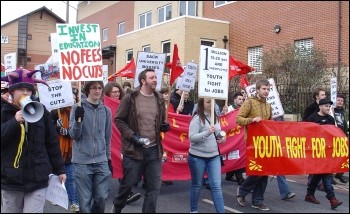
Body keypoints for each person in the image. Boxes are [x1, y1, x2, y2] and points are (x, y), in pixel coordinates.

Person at [1, 68, 66, 213]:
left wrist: (60, 168)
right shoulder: (3, 111)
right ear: (12, 91)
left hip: (38, 178)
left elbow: (51, 142)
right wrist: (13, 122)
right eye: (21, 89)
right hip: (11, 180)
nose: (25, 93)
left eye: (28, 90)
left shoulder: (41, 111)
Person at [112, 68, 170, 213]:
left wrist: (164, 126)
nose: (155, 80)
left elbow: (160, 122)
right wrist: (133, 136)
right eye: (151, 78)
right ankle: (117, 206)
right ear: (143, 81)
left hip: (154, 150)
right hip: (134, 150)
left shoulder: (159, 99)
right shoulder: (130, 97)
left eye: (156, 77)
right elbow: (119, 120)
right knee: (128, 184)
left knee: (154, 188)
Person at [69, 81, 112, 213]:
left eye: (99, 88)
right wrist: (77, 121)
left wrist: (108, 158)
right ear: (87, 90)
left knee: (101, 198)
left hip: (101, 160)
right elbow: (74, 135)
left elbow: (107, 136)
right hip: (82, 161)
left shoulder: (106, 110)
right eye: (94, 88)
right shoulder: (77, 107)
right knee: (85, 201)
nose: (97, 91)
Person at [235, 79, 272, 211]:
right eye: (264, 89)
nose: (266, 91)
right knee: (257, 172)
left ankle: (257, 200)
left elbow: (270, 125)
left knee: (264, 172)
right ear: (257, 90)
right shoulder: (249, 102)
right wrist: (252, 120)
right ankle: (242, 190)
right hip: (252, 143)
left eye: (268, 89)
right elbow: (238, 119)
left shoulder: (269, 106)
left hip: (265, 144)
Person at [104, 82, 142, 204]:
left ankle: (127, 194)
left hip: (121, 139)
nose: (117, 94)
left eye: (118, 91)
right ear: (108, 93)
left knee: (122, 166)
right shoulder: (104, 105)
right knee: (107, 167)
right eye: (114, 92)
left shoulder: (124, 104)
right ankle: (103, 192)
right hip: (108, 139)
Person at [188, 98, 226, 213]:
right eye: (208, 102)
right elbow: (192, 138)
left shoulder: (216, 117)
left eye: (213, 102)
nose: (211, 104)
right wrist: (207, 133)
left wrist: (222, 137)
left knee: (216, 186)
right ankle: (193, 210)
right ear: (202, 104)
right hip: (197, 157)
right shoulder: (197, 118)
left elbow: (218, 132)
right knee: (197, 185)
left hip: (213, 156)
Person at [304, 98, 343, 209]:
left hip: (326, 152)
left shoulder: (330, 119)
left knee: (318, 174)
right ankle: (332, 199)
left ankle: (309, 195)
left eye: (329, 106)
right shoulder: (312, 118)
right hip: (315, 152)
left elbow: (333, 134)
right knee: (325, 175)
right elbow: (305, 133)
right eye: (326, 106)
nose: (328, 108)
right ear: (320, 107)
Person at [50, 93, 79, 213]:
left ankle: (74, 202)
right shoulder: (54, 113)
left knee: (71, 177)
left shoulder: (77, 111)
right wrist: (56, 127)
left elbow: (80, 128)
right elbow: (48, 130)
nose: (71, 100)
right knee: (58, 176)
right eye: (68, 97)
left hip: (72, 150)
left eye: (73, 98)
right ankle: (58, 197)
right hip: (57, 150)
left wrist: (69, 131)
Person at [273, 115, 296, 200]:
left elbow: (283, 126)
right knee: (260, 171)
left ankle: (285, 192)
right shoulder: (262, 109)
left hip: (277, 143)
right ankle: (245, 188)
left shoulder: (279, 113)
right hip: (265, 143)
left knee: (280, 168)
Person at [225, 92, 246, 185]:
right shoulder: (229, 109)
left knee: (238, 156)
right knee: (231, 156)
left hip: (240, 137)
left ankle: (240, 179)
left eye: (242, 99)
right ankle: (231, 175)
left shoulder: (243, 109)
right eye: (239, 99)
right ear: (235, 100)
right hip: (231, 136)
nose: (241, 101)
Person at [333, 94, 348, 183]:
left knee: (343, 156)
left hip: (343, 135)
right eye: (339, 100)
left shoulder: (343, 111)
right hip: (334, 136)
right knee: (332, 156)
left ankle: (340, 174)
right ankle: (329, 176)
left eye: (342, 101)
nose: (340, 102)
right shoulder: (331, 110)